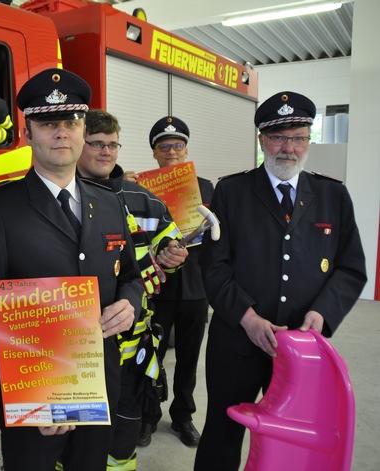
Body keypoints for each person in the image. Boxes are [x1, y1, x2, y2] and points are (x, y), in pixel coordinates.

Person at [0, 69, 143, 471]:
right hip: (34, 401)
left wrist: (130, 304)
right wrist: (38, 398)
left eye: (71, 122)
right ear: (28, 133)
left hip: (98, 386)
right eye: (48, 124)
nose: (61, 133)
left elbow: (131, 276)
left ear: (82, 131)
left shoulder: (111, 203)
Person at [194, 91, 367, 471]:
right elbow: (214, 266)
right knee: (222, 434)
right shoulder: (231, 191)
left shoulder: (332, 195)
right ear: (262, 141)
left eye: (298, 137)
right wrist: (248, 317)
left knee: (291, 437)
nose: (288, 147)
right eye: (278, 137)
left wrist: (322, 314)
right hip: (236, 344)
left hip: (301, 352)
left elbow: (351, 267)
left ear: (309, 141)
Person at [75, 109, 187, 470]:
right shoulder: (64, 197)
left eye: (112, 145)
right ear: (79, 144)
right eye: (96, 144)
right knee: (77, 438)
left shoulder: (144, 199)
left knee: (123, 439)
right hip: (77, 345)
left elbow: (173, 246)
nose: (106, 152)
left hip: (133, 346)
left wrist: (173, 257)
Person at [137, 116, 213, 448]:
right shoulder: (139, 190)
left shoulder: (207, 189)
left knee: (188, 356)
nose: (171, 152)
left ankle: (183, 415)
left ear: (186, 150)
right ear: (154, 153)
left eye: (177, 145)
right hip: (157, 288)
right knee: (150, 355)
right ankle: (148, 415)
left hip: (196, 289)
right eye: (163, 146)